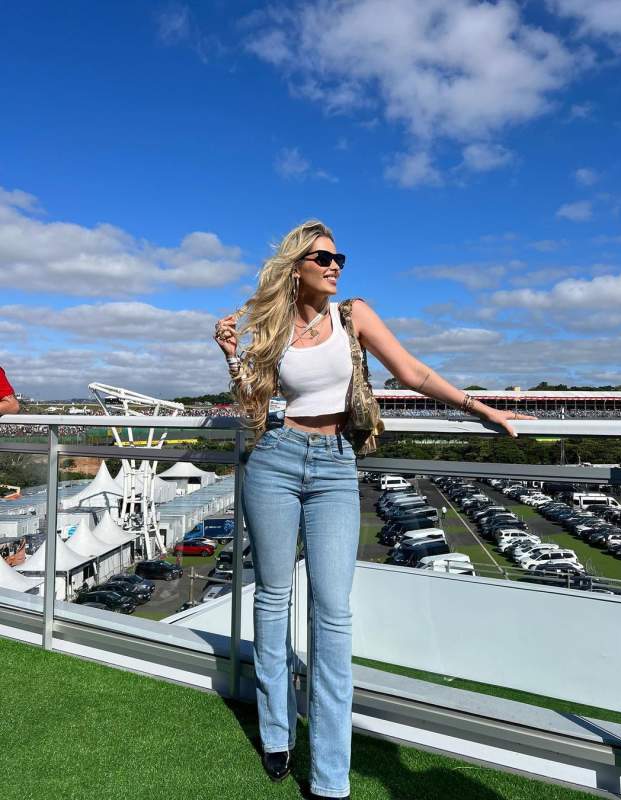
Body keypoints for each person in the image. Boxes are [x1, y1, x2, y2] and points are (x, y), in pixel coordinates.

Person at [213, 220, 535, 799]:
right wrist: (233, 355)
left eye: (340, 257)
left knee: (332, 615)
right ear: (297, 266)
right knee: (272, 598)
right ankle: (278, 732)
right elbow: (254, 401)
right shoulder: (269, 323)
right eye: (323, 257)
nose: (335, 265)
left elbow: (410, 372)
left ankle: (331, 773)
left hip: (336, 464)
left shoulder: (353, 315)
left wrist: (481, 409)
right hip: (275, 459)